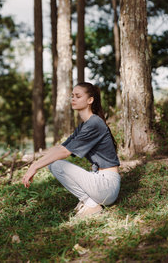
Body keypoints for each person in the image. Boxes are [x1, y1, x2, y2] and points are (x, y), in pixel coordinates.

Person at [22, 82, 121, 217]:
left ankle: (91, 205)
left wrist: (35, 166)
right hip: (99, 180)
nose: (73, 99)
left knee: (56, 164)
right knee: (54, 164)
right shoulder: (85, 125)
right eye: (72, 96)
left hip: (107, 185)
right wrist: (36, 163)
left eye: (78, 96)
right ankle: (90, 202)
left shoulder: (94, 123)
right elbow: (60, 147)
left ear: (90, 100)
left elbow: (64, 152)